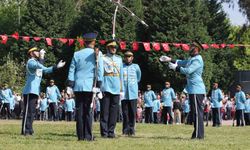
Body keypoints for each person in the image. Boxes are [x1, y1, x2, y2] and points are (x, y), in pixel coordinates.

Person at [160, 40, 206, 139]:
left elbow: (188, 71)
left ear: (196, 49)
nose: (190, 49)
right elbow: (181, 62)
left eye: (192, 48)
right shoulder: (191, 59)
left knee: (197, 114)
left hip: (196, 89)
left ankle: (199, 135)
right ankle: (196, 134)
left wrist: (176, 68)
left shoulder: (197, 59)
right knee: (195, 113)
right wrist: (169, 59)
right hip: (193, 89)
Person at [67, 32, 103, 141]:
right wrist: (99, 86)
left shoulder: (77, 54)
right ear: (93, 42)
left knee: (80, 111)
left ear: (84, 42)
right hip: (90, 86)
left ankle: (80, 136)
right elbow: (100, 71)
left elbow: (72, 70)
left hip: (78, 86)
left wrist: (70, 85)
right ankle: (88, 135)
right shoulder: (97, 54)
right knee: (88, 111)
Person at [21, 47, 65, 136]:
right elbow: (40, 66)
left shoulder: (36, 63)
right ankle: (25, 130)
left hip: (35, 90)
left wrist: (56, 67)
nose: (38, 52)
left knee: (32, 111)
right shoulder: (31, 62)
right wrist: (41, 58)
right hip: (29, 90)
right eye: (36, 51)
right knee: (28, 111)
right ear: (31, 53)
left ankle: (29, 129)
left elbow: (45, 70)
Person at [100, 40, 123, 138]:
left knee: (114, 112)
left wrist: (121, 89)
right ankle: (104, 132)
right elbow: (100, 72)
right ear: (108, 48)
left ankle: (111, 131)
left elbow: (121, 74)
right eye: (112, 47)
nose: (114, 49)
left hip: (116, 86)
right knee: (105, 111)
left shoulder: (119, 59)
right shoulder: (103, 58)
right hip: (106, 86)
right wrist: (100, 87)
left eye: (115, 47)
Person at [121, 50, 141, 135]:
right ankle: (125, 129)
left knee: (132, 112)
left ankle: (132, 129)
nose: (128, 58)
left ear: (132, 58)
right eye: (126, 56)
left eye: (129, 56)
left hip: (133, 93)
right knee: (125, 112)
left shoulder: (136, 67)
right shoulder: (121, 66)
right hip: (124, 93)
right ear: (124, 58)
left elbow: (138, 78)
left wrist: (133, 85)